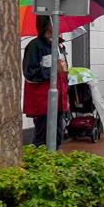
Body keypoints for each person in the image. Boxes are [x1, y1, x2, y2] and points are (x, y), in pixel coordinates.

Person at [22, 15, 68, 149]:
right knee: (42, 136)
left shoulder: (59, 45)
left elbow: (62, 71)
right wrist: (53, 70)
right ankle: (40, 163)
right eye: (55, 21)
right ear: (46, 24)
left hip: (59, 99)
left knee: (58, 135)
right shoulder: (34, 46)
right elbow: (30, 73)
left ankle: (53, 163)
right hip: (42, 101)